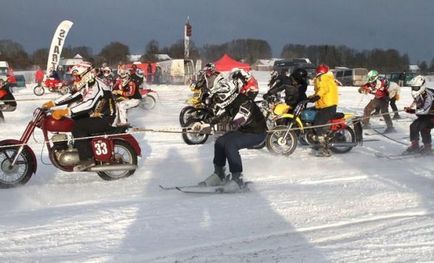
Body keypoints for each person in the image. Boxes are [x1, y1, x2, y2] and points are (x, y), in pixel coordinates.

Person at [192, 75, 267, 193]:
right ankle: (219, 174)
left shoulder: (244, 103)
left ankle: (237, 179)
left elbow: (234, 124)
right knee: (220, 142)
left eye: (219, 97)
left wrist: (210, 128)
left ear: (227, 94)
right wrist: (204, 123)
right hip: (244, 130)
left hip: (257, 133)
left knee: (231, 144)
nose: (218, 100)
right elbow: (221, 116)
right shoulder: (233, 101)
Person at [42, 63, 117, 171]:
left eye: (77, 76)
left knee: (78, 126)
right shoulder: (88, 84)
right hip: (96, 115)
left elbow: (89, 104)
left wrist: (66, 111)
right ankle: (77, 148)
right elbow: (73, 95)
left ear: (86, 74)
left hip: (106, 118)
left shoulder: (97, 86)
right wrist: (53, 103)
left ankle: (87, 159)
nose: (75, 79)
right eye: (74, 76)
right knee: (73, 121)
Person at [309, 64, 339, 157]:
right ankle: (315, 140)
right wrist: (311, 97)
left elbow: (323, 89)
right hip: (324, 106)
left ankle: (325, 149)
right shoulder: (326, 78)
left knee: (318, 124)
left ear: (319, 71)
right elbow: (319, 91)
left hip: (328, 107)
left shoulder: (322, 78)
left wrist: (317, 96)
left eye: (316, 71)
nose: (315, 73)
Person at [402, 75, 434, 155]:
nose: (413, 90)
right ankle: (426, 146)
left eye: (415, 88)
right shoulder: (420, 92)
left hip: (431, 115)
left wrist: (412, 111)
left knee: (416, 126)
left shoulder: (428, 96)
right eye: (413, 87)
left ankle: (417, 146)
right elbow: (416, 100)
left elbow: (425, 110)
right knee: (422, 128)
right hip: (427, 115)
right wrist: (410, 107)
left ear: (422, 86)